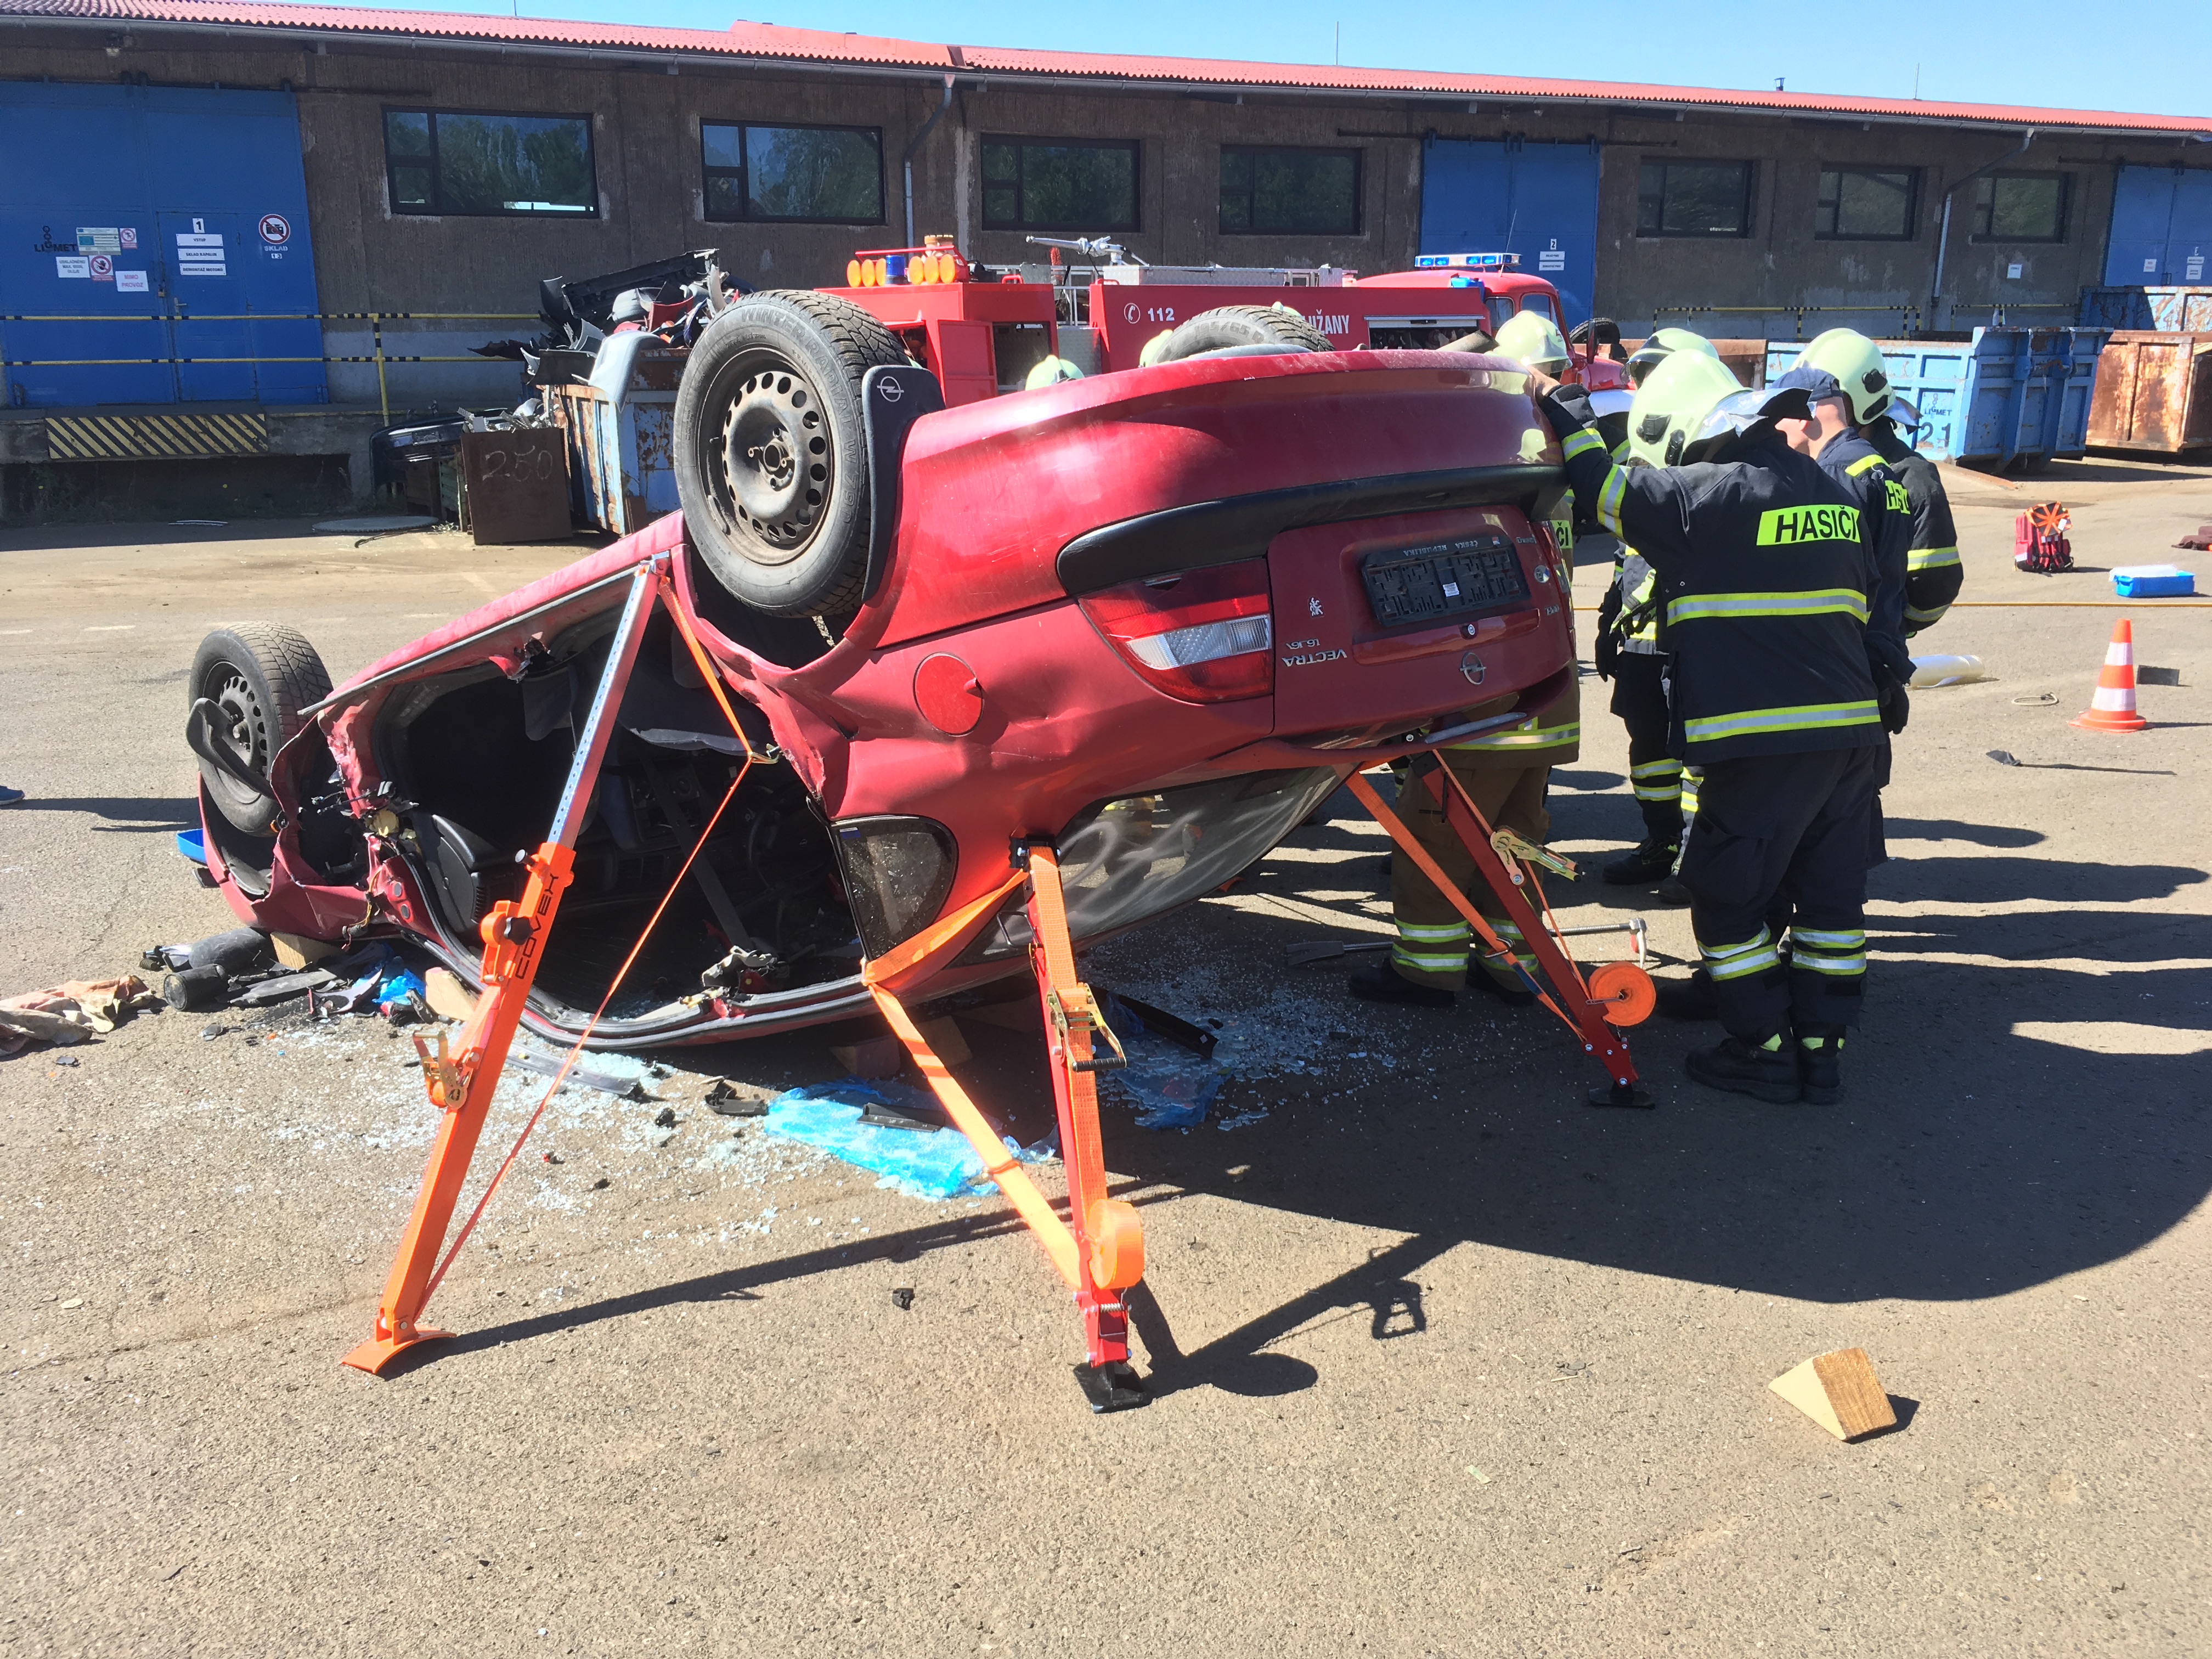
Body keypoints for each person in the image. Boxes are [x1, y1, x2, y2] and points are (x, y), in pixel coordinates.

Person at [1528, 365, 1886, 1105]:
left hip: (1762, 743)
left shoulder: (1704, 494)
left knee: (1725, 899)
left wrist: (1564, 406)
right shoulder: (1836, 497)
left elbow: (1603, 489)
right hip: (1852, 738)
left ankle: (1764, 1049)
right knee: (1830, 904)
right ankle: (1821, 1053)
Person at [1351, 317, 1579, 1010]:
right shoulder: (1548, 474)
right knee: (1514, 841)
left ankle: (1426, 971)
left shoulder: (1482, 485)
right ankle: (1513, 969)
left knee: (1438, 837)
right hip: (1546, 699)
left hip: (1487, 704)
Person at [1591, 339, 1734, 885]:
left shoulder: (1719, 470)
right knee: (1648, 750)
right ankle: (1661, 841)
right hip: (1641, 638)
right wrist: (1610, 622)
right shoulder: (1639, 457)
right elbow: (1624, 556)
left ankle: (1695, 859)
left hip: (1695, 641)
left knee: (1699, 758)